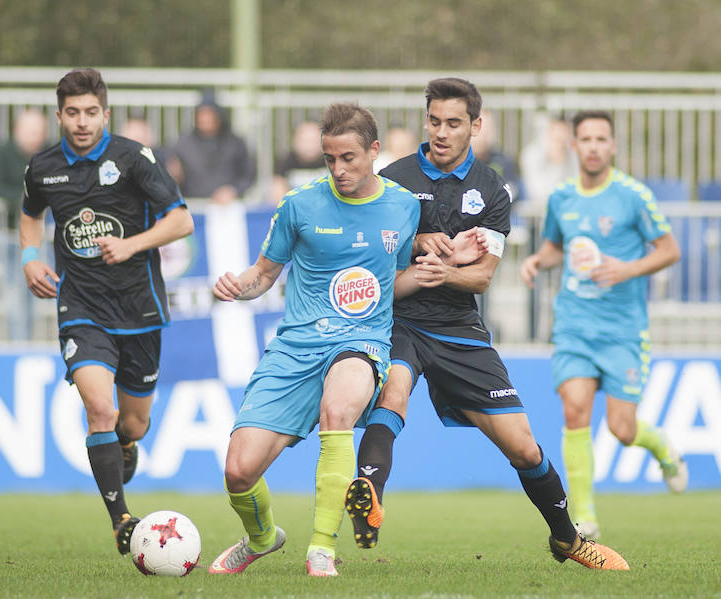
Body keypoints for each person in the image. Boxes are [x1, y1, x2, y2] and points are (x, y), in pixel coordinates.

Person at [347, 78, 629, 571]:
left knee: (522, 445)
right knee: (392, 391)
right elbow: (371, 258)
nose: (441, 131)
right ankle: (368, 492)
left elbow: (481, 278)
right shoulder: (390, 180)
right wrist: (418, 244)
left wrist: (446, 268)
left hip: (459, 329)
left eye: (454, 123)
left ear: (475, 126)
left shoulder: (492, 188)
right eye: (434, 120)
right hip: (400, 321)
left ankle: (568, 540)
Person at [208, 102, 482, 578]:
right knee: (238, 472)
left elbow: (390, 284)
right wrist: (238, 288)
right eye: (330, 158)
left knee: (338, 411)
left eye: (349, 158)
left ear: (374, 151)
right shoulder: (298, 205)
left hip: (362, 344)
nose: (338, 169)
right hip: (296, 348)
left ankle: (321, 547)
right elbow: (263, 276)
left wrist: (443, 268)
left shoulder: (401, 205)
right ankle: (262, 538)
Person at [18, 68, 194, 556]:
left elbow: (181, 219)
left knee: (132, 423)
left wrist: (132, 244)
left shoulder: (133, 159)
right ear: (59, 116)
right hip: (82, 306)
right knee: (100, 408)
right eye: (72, 113)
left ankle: (126, 445)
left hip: (139, 308)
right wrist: (31, 259)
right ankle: (123, 521)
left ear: (105, 114)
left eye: (90, 112)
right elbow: (31, 217)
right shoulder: (43, 167)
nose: (81, 122)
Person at [520, 109, 686, 540]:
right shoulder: (561, 198)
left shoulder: (633, 195)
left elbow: (669, 250)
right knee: (574, 410)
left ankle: (663, 448)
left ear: (612, 146)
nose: (593, 146)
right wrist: (539, 259)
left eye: (601, 139)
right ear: (574, 146)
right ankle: (586, 516)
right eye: (586, 139)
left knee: (621, 428)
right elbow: (558, 247)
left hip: (622, 329)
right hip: (575, 323)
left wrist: (626, 269)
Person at [167, 91, 255, 204]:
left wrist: (234, 190)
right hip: (194, 208)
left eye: (209, 114)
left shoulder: (235, 143)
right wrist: (173, 176)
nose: (205, 119)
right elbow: (171, 179)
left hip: (228, 208)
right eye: (202, 114)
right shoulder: (183, 144)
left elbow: (248, 174)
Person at [0, 108, 48, 229]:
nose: (34, 138)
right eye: (30, 133)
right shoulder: (3, 152)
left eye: (38, 133)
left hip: (45, 226)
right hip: (7, 224)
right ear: (16, 131)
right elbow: (0, 188)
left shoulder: (52, 153)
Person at [520, 114, 577, 215]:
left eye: (564, 139)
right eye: (557, 139)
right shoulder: (531, 155)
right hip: (538, 215)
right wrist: (557, 165)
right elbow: (539, 194)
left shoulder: (574, 155)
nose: (561, 144)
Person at [269, 120, 327, 205]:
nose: (309, 146)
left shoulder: (331, 160)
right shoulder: (285, 161)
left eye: (313, 141)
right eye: (305, 141)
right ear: (295, 140)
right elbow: (277, 193)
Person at [471, 109, 523, 204]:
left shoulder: (504, 162)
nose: (482, 137)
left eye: (486, 131)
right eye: (479, 130)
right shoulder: (454, 163)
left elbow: (513, 192)